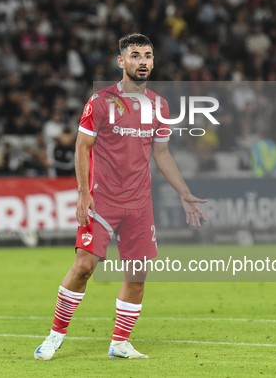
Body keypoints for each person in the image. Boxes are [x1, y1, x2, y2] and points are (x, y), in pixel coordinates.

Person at [34, 33, 207, 361]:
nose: (142, 61)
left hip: (140, 204)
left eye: (147, 56)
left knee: (137, 273)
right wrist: (83, 194)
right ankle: (55, 335)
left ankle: (120, 342)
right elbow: (81, 147)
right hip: (102, 201)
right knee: (85, 266)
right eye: (135, 55)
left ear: (153, 61)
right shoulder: (100, 101)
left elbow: (163, 154)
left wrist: (183, 192)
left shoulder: (159, 105)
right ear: (121, 61)